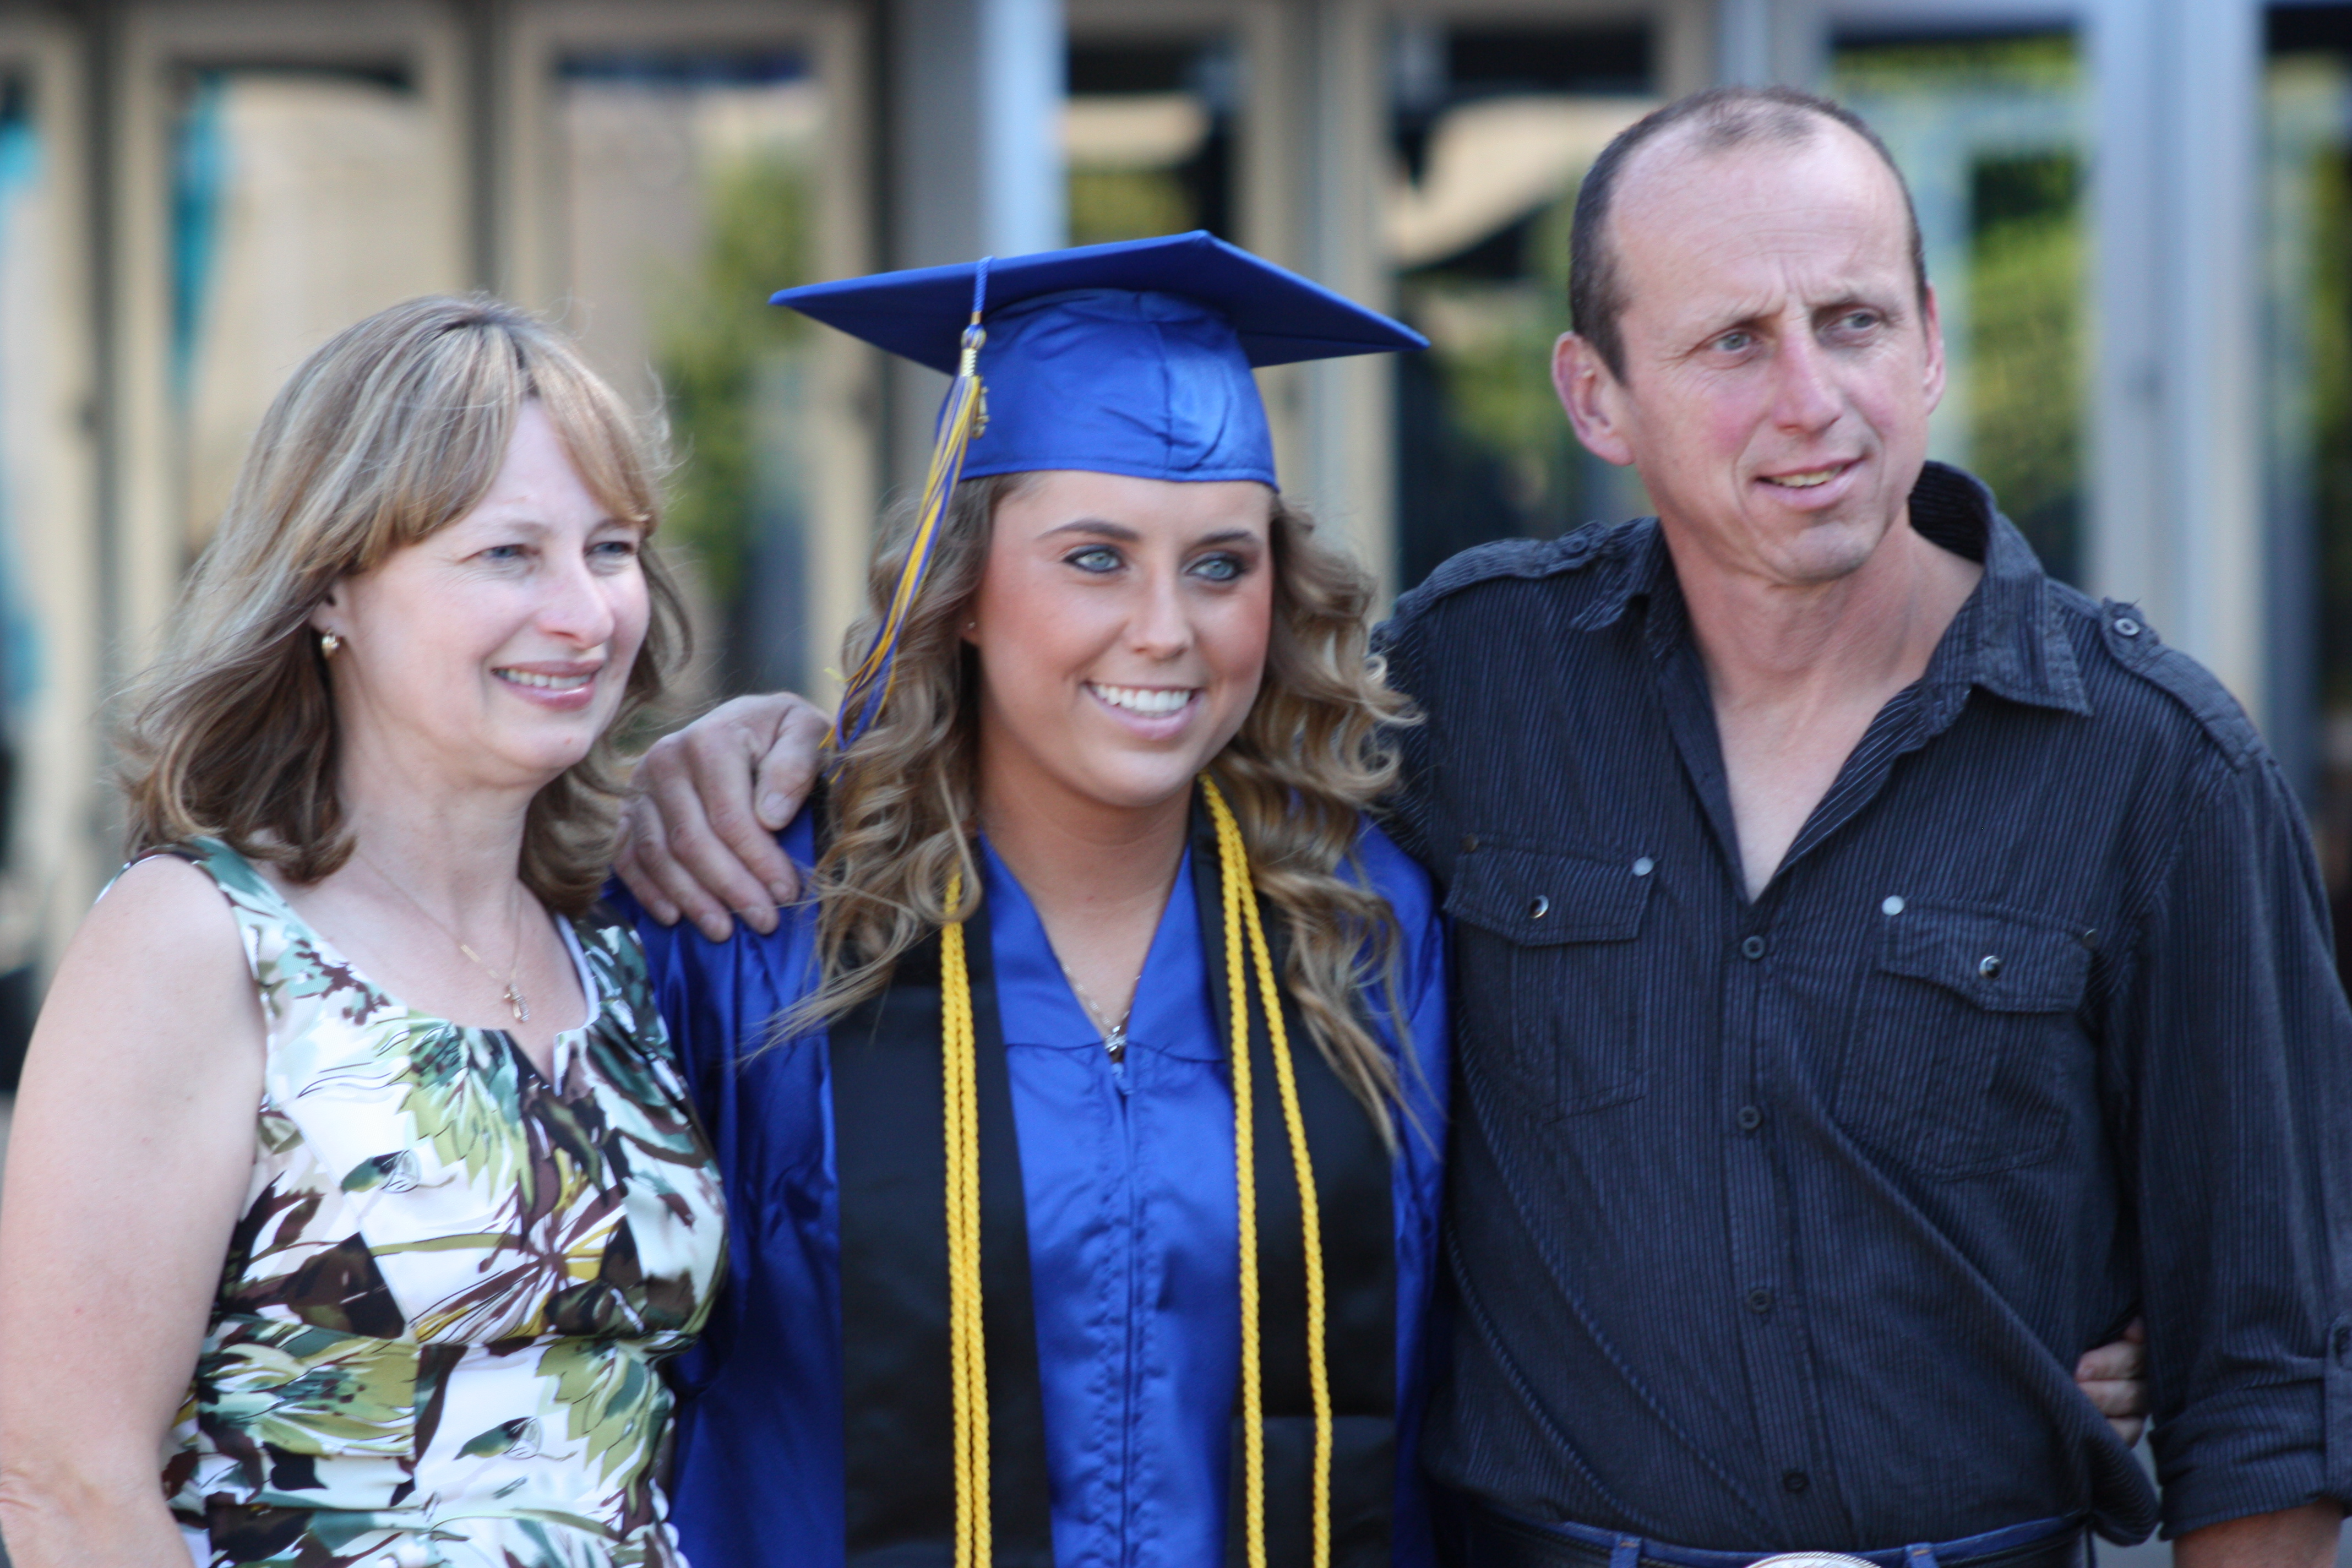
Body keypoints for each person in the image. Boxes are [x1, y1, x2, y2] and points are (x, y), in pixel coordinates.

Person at [618, 86, 2326, 1568]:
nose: (1811, 396)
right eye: (1733, 340)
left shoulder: (2152, 768)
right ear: (1596, 396)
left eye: (1856, 321)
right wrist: (746, 751)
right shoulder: (1470, 698)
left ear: (1933, 339)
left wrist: (2059, 1353)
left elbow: (2274, 1371)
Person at [611, 233, 1449, 1567]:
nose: (1166, 627)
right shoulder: (753, 913)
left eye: (1221, 564)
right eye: (1095, 558)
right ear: (964, 590)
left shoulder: (1363, 926)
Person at [0, 297, 728, 1568]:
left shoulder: (616, 949)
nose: (585, 612)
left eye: (610, 548)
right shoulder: (202, 941)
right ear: (332, 583)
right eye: (509, 554)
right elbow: (62, 1482)